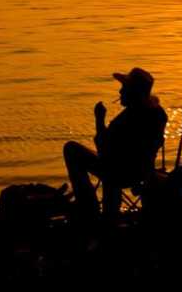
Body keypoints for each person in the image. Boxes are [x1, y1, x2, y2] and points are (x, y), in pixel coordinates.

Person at [63, 67, 168, 222]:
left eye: (124, 88)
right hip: (144, 171)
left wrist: (99, 119)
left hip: (121, 173)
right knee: (113, 164)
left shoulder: (127, 119)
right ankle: (106, 214)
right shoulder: (157, 113)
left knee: (71, 149)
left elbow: (103, 148)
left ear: (133, 92)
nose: (120, 92)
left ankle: (89, 208)